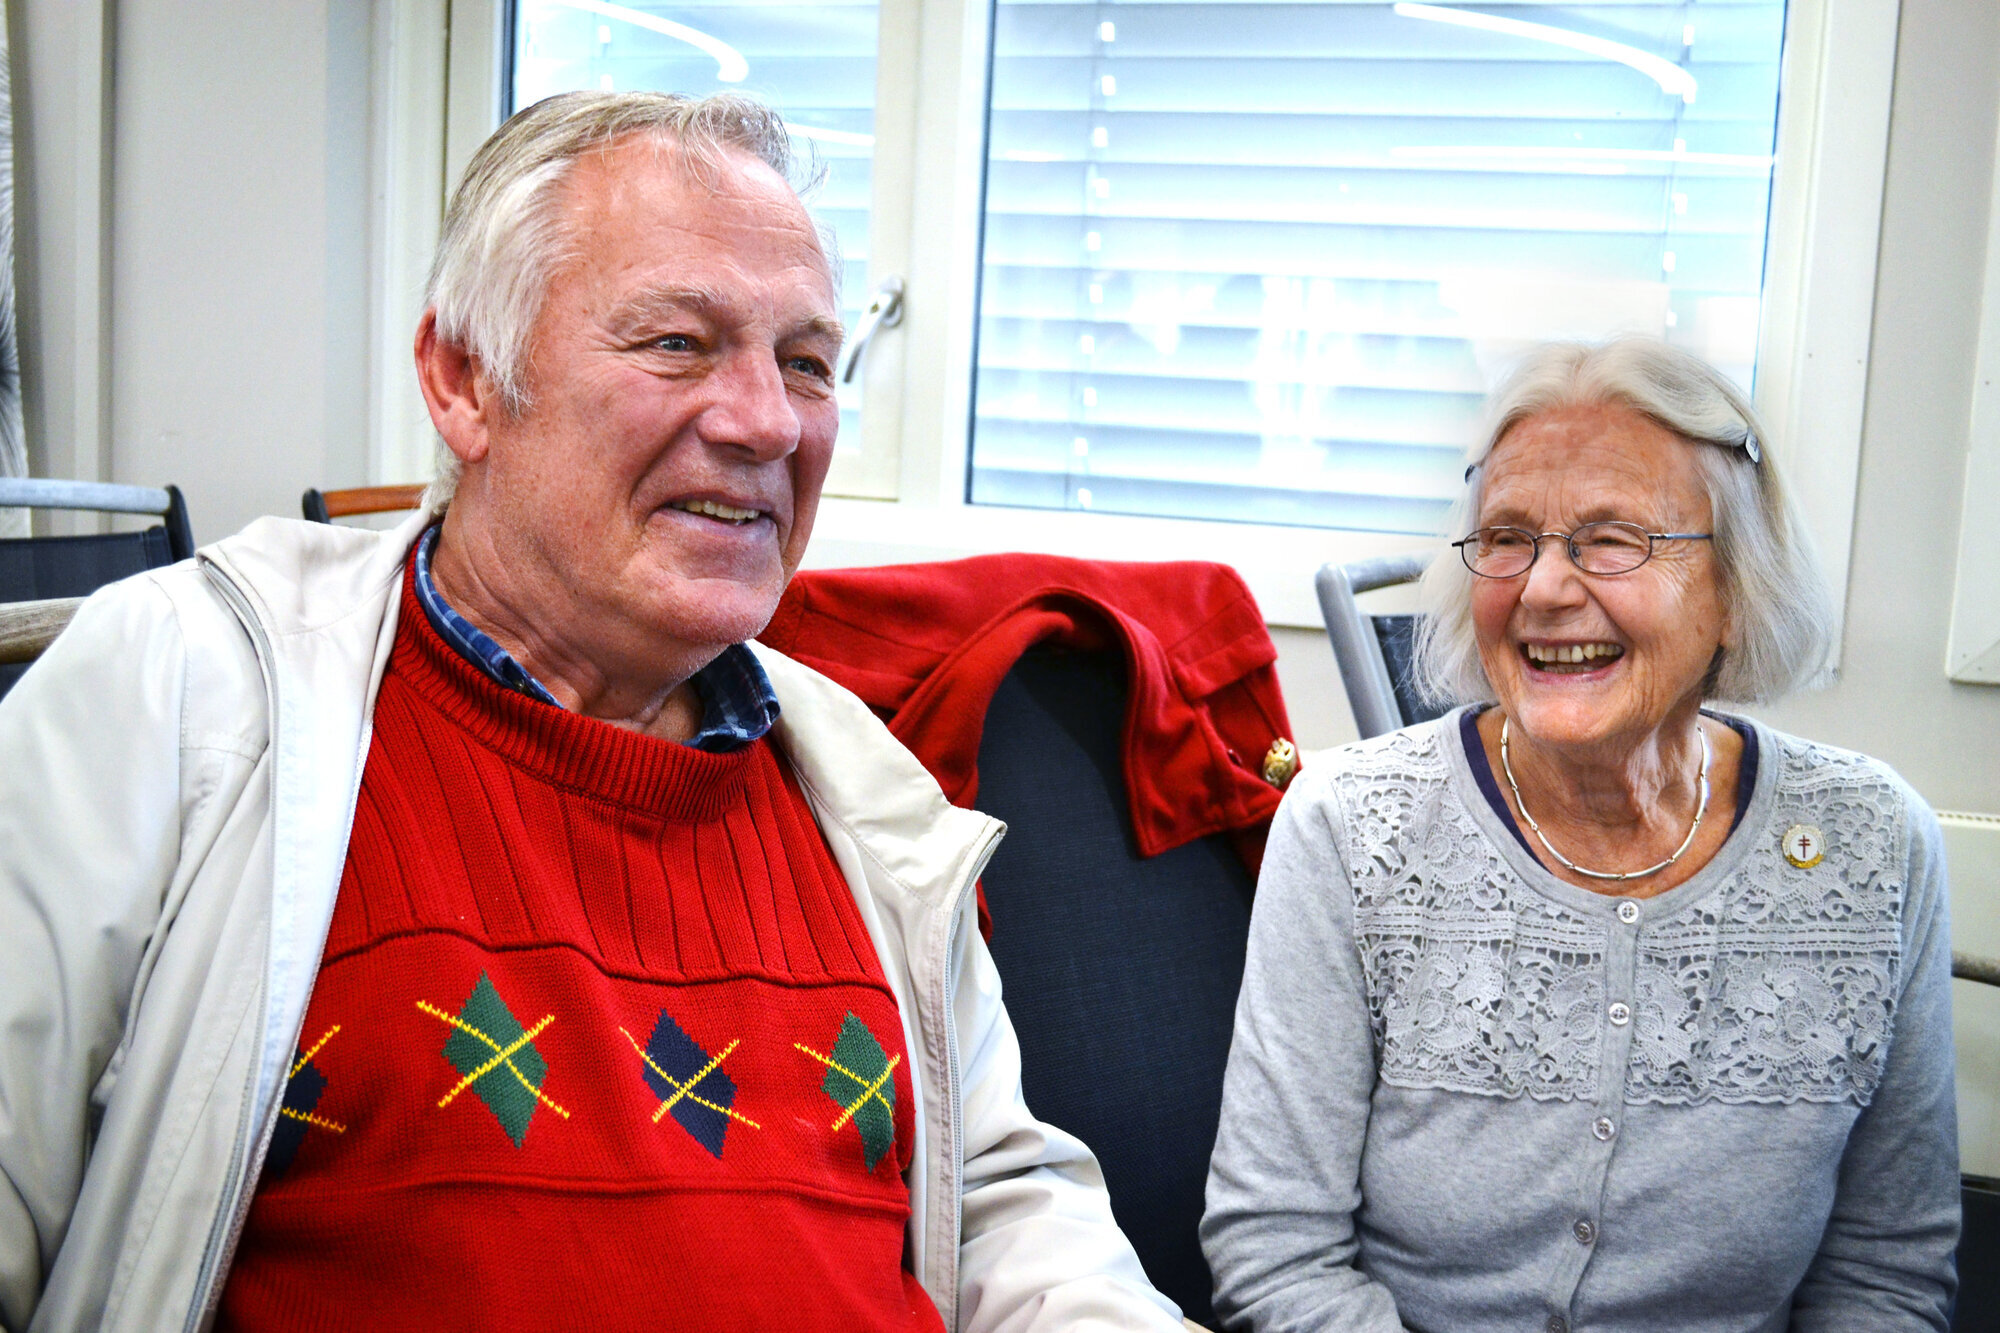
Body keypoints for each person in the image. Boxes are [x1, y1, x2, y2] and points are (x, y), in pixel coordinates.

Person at [0, 92, 1185, 1332]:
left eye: (805, 363)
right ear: (464, 380)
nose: (767, 422)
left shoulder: (867, 795)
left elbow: (1002, 1209)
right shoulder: (188, 696)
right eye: (677, 342)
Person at [1202, 338, 1958, 1332]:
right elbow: (1276, 1252)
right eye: (1507, 537)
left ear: (1734, 591)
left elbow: (1885, 1271)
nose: (1544, 589)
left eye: (1612, 539)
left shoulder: (1872, 843)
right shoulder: (1347, 826)